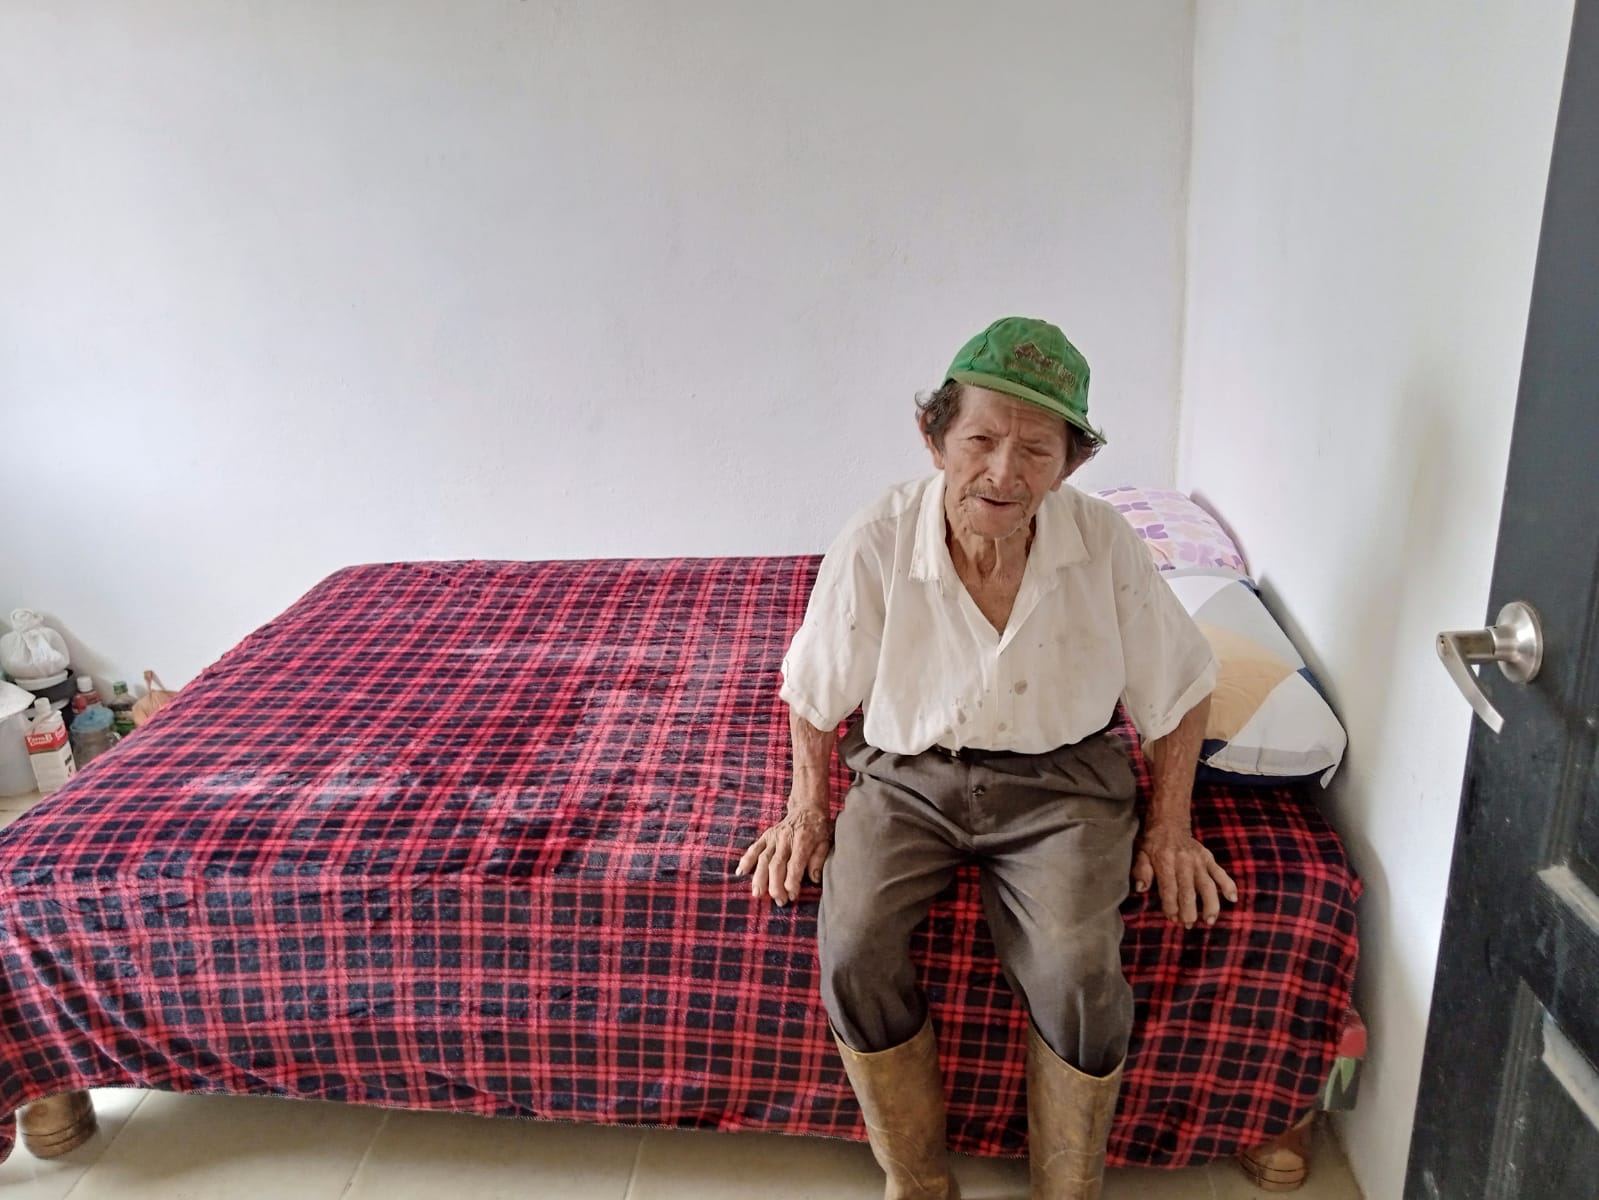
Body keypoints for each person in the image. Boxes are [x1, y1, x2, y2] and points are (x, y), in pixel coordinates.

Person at [737, 316, 1238, 1200]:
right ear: (934, 439)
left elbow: (1183, 683)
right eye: (980, 440)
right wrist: (805, 811)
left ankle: (1065, 1190)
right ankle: (918, 1180)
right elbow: (814, 690)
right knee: (851, 945)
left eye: (1036, 450)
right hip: (908, 776)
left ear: (1070, 465)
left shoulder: (1103, 542)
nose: (1004, 472)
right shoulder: (877, 537)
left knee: (1079, 970)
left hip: (1064, 782)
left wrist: (1170, 827)